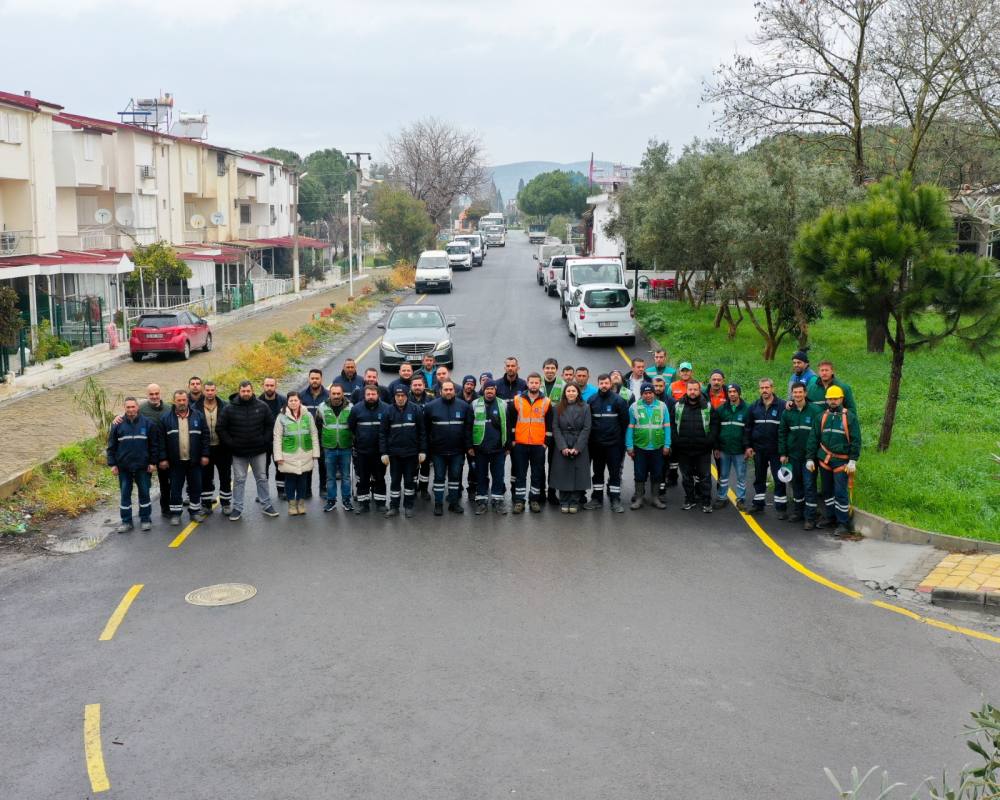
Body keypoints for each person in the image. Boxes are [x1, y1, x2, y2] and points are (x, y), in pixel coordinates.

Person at [218, 380, 279, 521]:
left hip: (259, 451)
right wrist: (231, 443)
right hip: (239, 453)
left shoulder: (262, 406)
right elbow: (221, 428)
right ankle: (237, 508)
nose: (246, 393)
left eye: (248, 391)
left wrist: (264, 440)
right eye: (243, 391)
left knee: (262, 478)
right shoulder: (229, 408)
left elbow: (270, 425)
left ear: (252, 391)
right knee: (239, 480)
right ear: (239, 391)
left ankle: (266, 505)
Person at [806, 385, 861, 535]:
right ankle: (830, 516)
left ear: (841, 399)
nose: (833, 401)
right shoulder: (821, 417)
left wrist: (853, 461)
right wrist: (810, 458)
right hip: (824, 460)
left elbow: (856, 440)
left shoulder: (849, 417)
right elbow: (813, 438)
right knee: (827, 491)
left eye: (835, 398)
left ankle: (843, 523)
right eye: (830, 399)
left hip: (841, 462)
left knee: (840, 492)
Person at [107, 396, 159, 533]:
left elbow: (154, 446)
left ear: (137, 407)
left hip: (143, 467)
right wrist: (112, 464)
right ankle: (126, 521)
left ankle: (146, 519)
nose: (130, 409)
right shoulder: (117, 425)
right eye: (128, 407)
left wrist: (153, 463)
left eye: (133, 407)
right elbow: (111, 447)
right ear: (124, 408)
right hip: (124, 468)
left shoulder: (148, 424)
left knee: (144, 493)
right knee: (125, 494)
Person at [161, 390, 210, 526]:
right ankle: (176, 514)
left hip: (194, 461)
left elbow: (205, 437)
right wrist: (163, 458)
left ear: (187, 400)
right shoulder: (166, 419)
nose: (182, 403)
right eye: (179, 400)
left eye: (184, 400)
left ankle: (194, 512)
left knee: (196, 487)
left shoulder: (198, 416)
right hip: (175, 462)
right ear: (174, 401)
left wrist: (205, 455)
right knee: (175, 489)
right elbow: (161, 441)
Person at [425, 380, 473, 515]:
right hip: (438, 451)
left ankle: (453, 503)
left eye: (450, 389)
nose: (448, 392)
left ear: (454, 391)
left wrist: (468, 447)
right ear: (440, 391)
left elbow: (468, 429)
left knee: (455, 477)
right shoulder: (430, 407)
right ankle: (438, 504)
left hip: (457, 451)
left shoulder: (464, 406)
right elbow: (426, 429)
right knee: (439, 478)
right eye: (445, 390)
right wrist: (428, 448)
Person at [673, 380, 720, 513]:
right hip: (684, 449)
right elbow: (672, 424)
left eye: (695, 389)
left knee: (705, 476)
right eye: (690, 389)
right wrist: (677, 441)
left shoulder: (708, 407)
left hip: (703, 450)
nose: (692, 392)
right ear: (686, 391)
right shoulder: (678, 406)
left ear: (700, 391)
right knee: (686, 477)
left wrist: (709, 441)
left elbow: (714, 425)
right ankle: (689, 499)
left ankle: (706, 501)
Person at [586, 374, 630, 512]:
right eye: (601, 383)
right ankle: (596, 498)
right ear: (598, 384)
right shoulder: (591, 400)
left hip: (614, 446)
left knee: (614, 473)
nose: (604, 385)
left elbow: (625, 424)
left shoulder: (619, 401)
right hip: (597, 446)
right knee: (597, 473)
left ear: (611, 384)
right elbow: (588, 424)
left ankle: (615, 499)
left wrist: (622, 444)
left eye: (606, 383)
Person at [381, 385, 427, 518]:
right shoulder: (387, 411)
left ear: (407, 396)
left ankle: (408, 506)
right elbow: (382, 434)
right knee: (395, 481)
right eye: (397, 396)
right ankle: (394, 507)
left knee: (409, 481)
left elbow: (422, 432)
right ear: (394, 397)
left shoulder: (415, 409)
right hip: (394, 455)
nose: (400, 398)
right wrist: (384, 452)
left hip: (411, 454)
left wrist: (422, 450)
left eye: (403, 396)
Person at [509, 372, 552, 513]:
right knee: (520, 474)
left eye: (536, 382)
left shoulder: (546, 402)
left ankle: (534, 500)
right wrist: (513, 441)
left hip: (538, 445)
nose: (534, 385)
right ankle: (519, 501)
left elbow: (550, 424)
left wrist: (546, 443)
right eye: (531, 382)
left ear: (540, 384)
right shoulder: (517, 400)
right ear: (527, 383)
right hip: (520, 444)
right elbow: (511, 422)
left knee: (537, 473)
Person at [273, 391, 320, 515]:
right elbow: (277, 437)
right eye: (291, 401)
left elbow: (314, 434)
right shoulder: (281, 417)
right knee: (290, 480)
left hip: (305, 453)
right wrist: (278, 456)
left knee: (303, 480)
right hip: (288, 455)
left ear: (300, 401)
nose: (293, 402)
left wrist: (315, 452)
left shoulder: (308, 415)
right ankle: (292, 505)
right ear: (287, 402)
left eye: (296, 400)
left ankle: (301, 503)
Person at [778, 382, 819, 528]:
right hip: (793, 456)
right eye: (795, 392)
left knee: (809, 486)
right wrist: (783, 453)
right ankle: (798, 512)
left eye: (800, 392)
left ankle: (810, 518)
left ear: (805, 393)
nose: (797, 395)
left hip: (810, 458)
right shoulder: (787, 412)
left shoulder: (814, 411)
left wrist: (812, 456)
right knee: (796, 485)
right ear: (792, 394)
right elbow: (782, 433)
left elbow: (817, 435)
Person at [626, 383, 671, 510]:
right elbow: (630, 428)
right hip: (640, 447)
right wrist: (629, 446)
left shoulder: (662, 407)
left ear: (654, 393)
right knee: (639, 473)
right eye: (645, 393)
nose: (648, 395)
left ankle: (655, 498)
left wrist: (667, 445)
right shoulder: (634, 407)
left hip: (658, 447)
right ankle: (639, 498)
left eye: (650, 393)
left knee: (657, 473)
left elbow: (667, 427)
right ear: (642, 394)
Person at [471, 380, 512, 515]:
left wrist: (507, 446)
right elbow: (468, 426)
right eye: (487, 389)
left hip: (498, 449)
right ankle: (481, 501)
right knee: (481, 475)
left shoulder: (503, 404)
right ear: (483, 390)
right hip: (480, 448)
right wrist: (469, 446)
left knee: (498, 476)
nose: (489, 391)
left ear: (495, 390)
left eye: (492, 389)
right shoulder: (475, 404)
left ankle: (497, 501)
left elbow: (508, 425)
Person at [550, 383, 593, 513]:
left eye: (573, 391)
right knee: (562, 473)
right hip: (563, 443)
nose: (571, 393)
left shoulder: (585, 407)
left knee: (577, 474)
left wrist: (578, 447)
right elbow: (555, 428)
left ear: (577, 393)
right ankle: (564, 500)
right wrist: (562, 447)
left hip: (579, 444)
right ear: (565, 393)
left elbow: (587, 428)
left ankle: (574, 501)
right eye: (568, 391)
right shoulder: (557, 408)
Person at [748, 378, 787, 517]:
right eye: (762, 388)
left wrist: (784, 451)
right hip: (759, 449)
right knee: (759, 477)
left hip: (776, 450)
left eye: (767, 387)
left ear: (772, 388)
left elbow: (786, 429)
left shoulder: (782, 405)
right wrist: (749, 446)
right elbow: (748, 428)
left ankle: (781, 508)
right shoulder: (754, 406)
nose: (764, 390)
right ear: (759, 390)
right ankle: (758, 505)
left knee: (779, 479)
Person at [348, 384, 389, 513]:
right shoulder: (356, 409)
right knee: (363, 478)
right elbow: (352, 426)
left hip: (379, 452)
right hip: (362, 451)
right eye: (368, 394)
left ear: (378, 395)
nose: (371, 397)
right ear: (364, 395)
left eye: (373, 394)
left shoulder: (386, 409)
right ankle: (363, 504)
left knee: (379, 477)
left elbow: (388, 429)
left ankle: (380, 503)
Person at [315, 383, 353, 512]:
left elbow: (354, 428)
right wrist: (320, 445)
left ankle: (346, 500)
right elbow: (317, 427)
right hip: (329, 448)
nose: (336, 396)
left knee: (346, 476)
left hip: (345, 447)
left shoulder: (351, 408)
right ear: (329, 394)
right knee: (330, 477)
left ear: (342, 394)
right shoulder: (321, 408)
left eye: (338, 394)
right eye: (333, 393)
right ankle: (331, 501)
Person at [196, 382, 232, 515]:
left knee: (225, 476)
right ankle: (206, 505)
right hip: (205, 450)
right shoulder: (195, 408)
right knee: (206, 477)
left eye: (212, 390)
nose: (210, 392)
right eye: (207, 390)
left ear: (216, 391)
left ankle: (226, 503)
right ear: (203, 391)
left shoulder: (226, 406)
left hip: (222, 449)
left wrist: (230, 443)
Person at [714, 383, 752, 512]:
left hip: (740, 450)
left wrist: (748, 447)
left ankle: (740, 499)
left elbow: (749, 430)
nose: (732, 394)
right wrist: (716, 447)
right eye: (730, 392)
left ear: (739, 393)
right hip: (724, 449)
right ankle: (721, 497)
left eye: (734, 391)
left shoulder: (747, 409)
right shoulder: (721, 409)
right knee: (723, 475)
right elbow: (716, 430)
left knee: (741, 476)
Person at [137, 383, 171, 518]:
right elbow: (128, 417)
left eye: (156, 393)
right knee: (144, 484)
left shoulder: (169, 409)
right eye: (151, 394)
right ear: (147, 395)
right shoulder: (141, 409)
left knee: (165, 483)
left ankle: (166, 508)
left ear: (160, 393)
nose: (154, 396)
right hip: (147, 452)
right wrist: (117, 418)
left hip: (164, 451)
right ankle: (144, 512)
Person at [298, 369, 329, 499]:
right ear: (309, 379)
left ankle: (323, 488)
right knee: (307, 465)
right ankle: (307, 490)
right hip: (306, 436)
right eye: (312, 378)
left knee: (323, 464)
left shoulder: (328, 396)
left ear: (321, 379)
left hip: (323, 436)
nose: (314, 380)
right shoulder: (301, 396)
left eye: (317, 378)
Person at [259, 377, 287, 499]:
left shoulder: (283, 401)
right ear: (263, 386)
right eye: (267, 385)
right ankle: (263, 494)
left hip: (279, 441)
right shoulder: (257, 401)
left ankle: (281, 491)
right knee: (262, 470)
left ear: (275, 386)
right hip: (263, 441)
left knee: (280, 467)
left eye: (271, 385)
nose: (269, 388)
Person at [408, 375, 433, 498]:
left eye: (419, 385)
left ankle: (423, 489)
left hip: (427, 439)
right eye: (415, 385)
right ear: (411, 387)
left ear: (424, 386)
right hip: (410, 439)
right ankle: (412, 487)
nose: (417, 387)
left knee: (425, 466)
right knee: (412, 466)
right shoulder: (405, 399)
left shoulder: (431, 399)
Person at [460, 375, 479, 499]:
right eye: (467, 384)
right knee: (458, 466)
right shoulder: (456, 397)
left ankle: (472, 489)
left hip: (473, 440)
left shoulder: (478, 400)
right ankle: (456, 488)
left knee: (474, 467)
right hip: (458, 440)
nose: (469, 386)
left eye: (472, 384)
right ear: (463, 385)